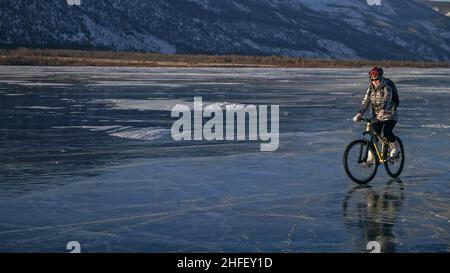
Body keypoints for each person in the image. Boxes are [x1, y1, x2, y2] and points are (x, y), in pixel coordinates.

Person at [353, 66, 400, 162]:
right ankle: (371, 157)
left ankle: (395, 148)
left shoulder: (387, 87)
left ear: (381, 77)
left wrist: (383, 109)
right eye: (373, 80)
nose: (375, 82)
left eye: (377, 79)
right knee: (374, 136)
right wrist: (359, 113)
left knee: (387, 132)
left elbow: (387, 99)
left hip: (389, 114)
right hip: (377, 116)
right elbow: (365, 102)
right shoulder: (370, 89)